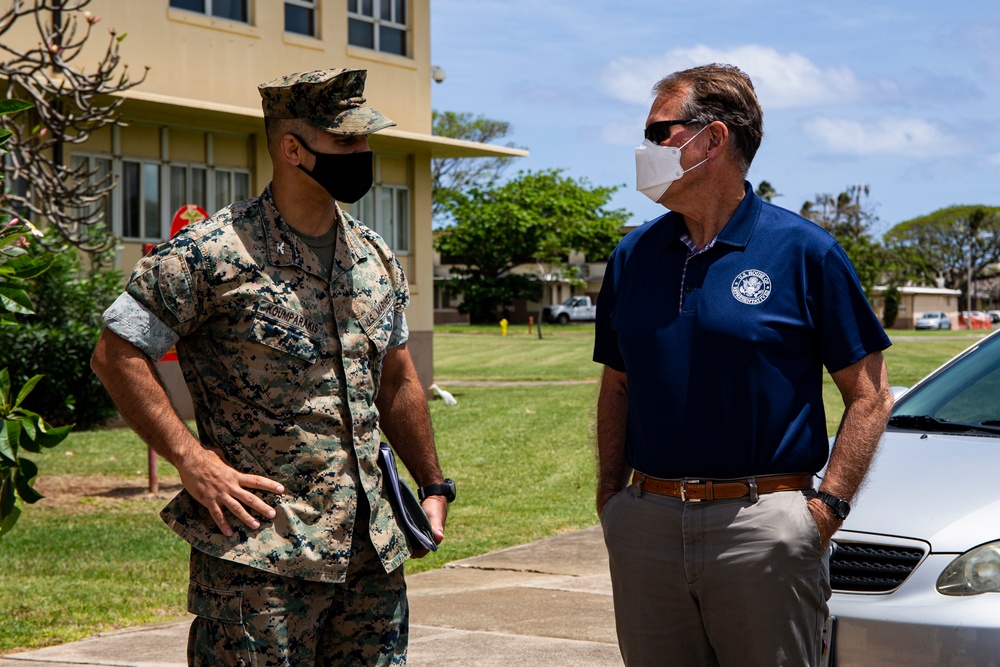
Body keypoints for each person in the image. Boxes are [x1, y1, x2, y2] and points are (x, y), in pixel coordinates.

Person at [91, 68, 455, 666]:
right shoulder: (211, 253)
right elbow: (116, 352)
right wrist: (191, 460)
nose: (363, 155)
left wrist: (434, 486)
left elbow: (397, 380)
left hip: (369, 557)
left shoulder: (374, 257)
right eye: (345, 142)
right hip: (259, 560)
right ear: (293, 148)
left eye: (366, 141)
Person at [594, 63, 894, 667]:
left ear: (713, 140)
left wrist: (822, 511)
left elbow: (870, 396)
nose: (646, 149)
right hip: (648, 526)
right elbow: (618, 386)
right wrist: (612, 502)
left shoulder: (806, 251)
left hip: (763, 530)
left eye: (660, 133)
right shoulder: (633, 254)